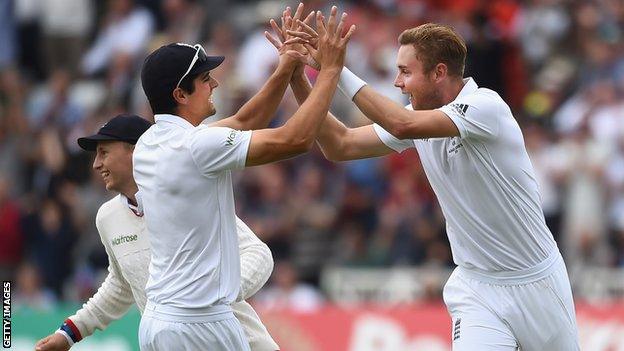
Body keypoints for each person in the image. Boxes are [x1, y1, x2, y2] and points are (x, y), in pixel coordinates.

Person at [277, 21, 580, 350]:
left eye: (406, 72)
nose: (398, 83)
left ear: (438, 72)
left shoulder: (486, 107)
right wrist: (299, 79)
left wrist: (337, 70)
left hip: (535, 281)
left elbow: (401, 124)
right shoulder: (418, 116)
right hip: (477, 287)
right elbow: (340, 145)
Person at [133, 5, 354, 350]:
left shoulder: (149, 142)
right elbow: (295, 139)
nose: (215, 83)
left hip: (159, 321)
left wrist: (287, 66)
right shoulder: (197, 145)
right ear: (180, 95)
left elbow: (242, 121)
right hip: (200, 323)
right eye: (204, 80)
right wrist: (329, 71)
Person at [34, 114, 279, 351]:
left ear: (135, 150)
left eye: (104, 152)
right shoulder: (107, 217)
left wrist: (212, 297)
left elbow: (258, 254)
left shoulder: (185, 195)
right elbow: (122, 285)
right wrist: (69, 334)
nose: (97, 164)